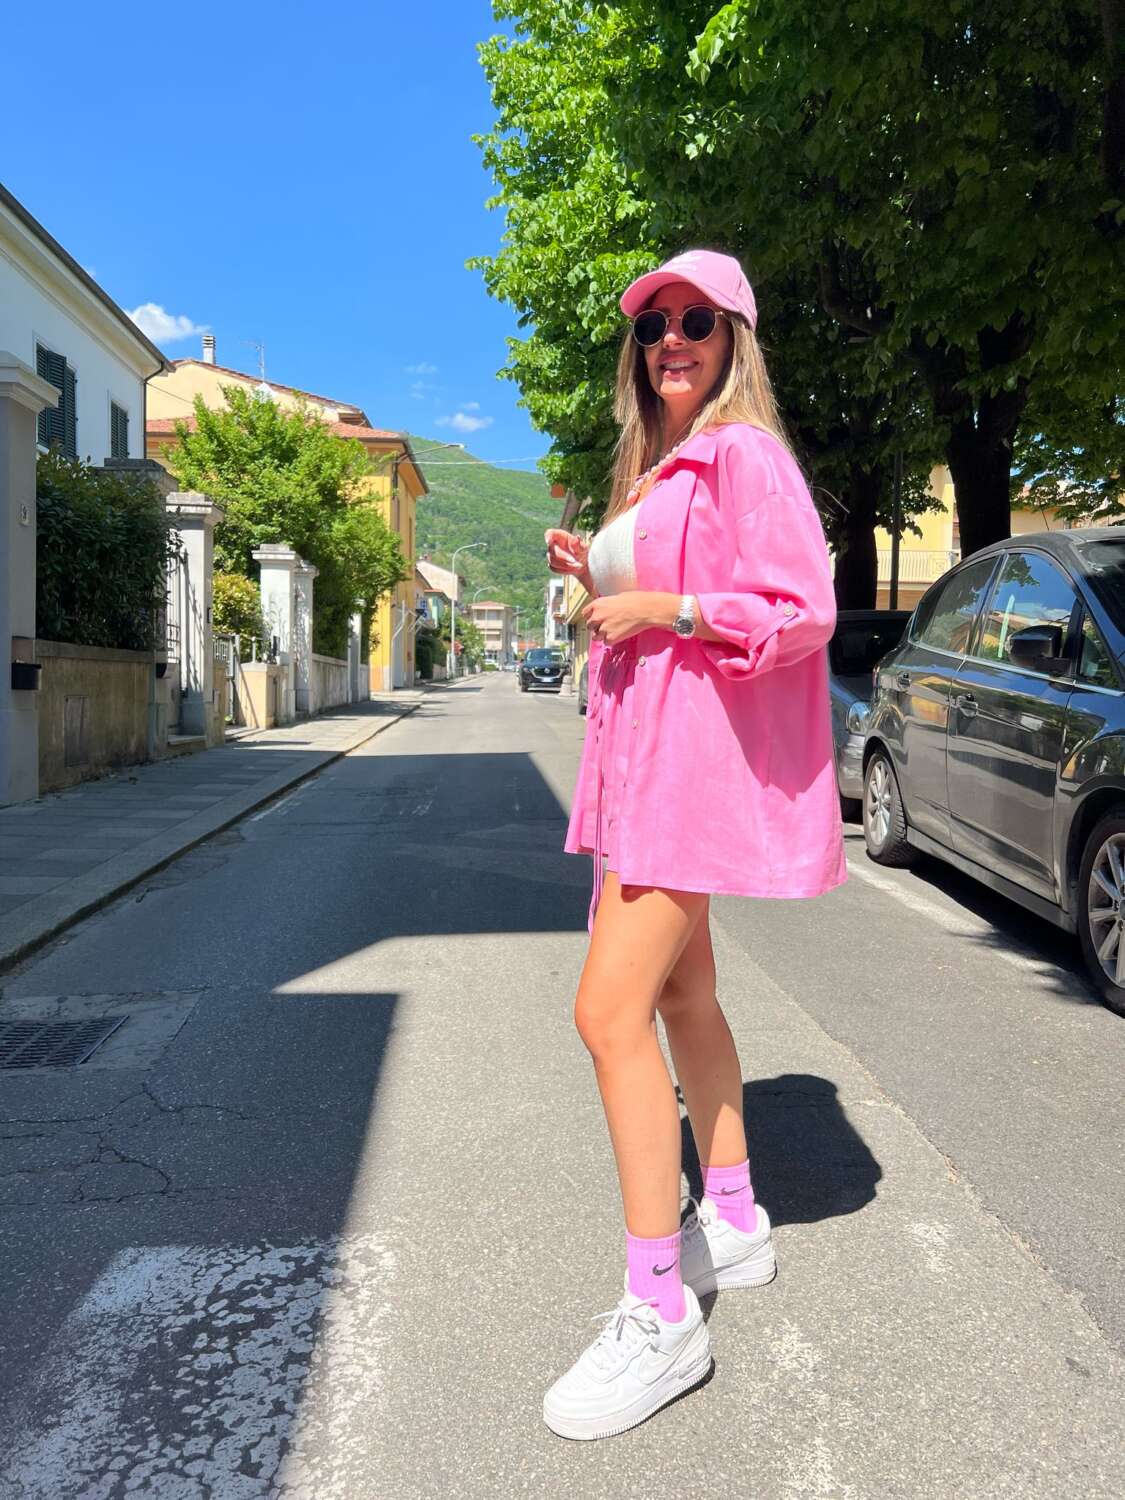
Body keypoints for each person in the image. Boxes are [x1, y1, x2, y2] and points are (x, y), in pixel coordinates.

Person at [541, 249, 846, 1441]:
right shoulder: (665, 470)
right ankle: (734, 1213)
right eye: (654, 323)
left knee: (605, 1013)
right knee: (683, 998)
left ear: (734, 339)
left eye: (697, 320)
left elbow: (802, 607)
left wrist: (664, 607)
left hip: (684, 775)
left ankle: (661, 1312)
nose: (671, 338)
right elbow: (664, 595)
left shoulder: (744, 454)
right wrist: (599, 569)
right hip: (646, 766)